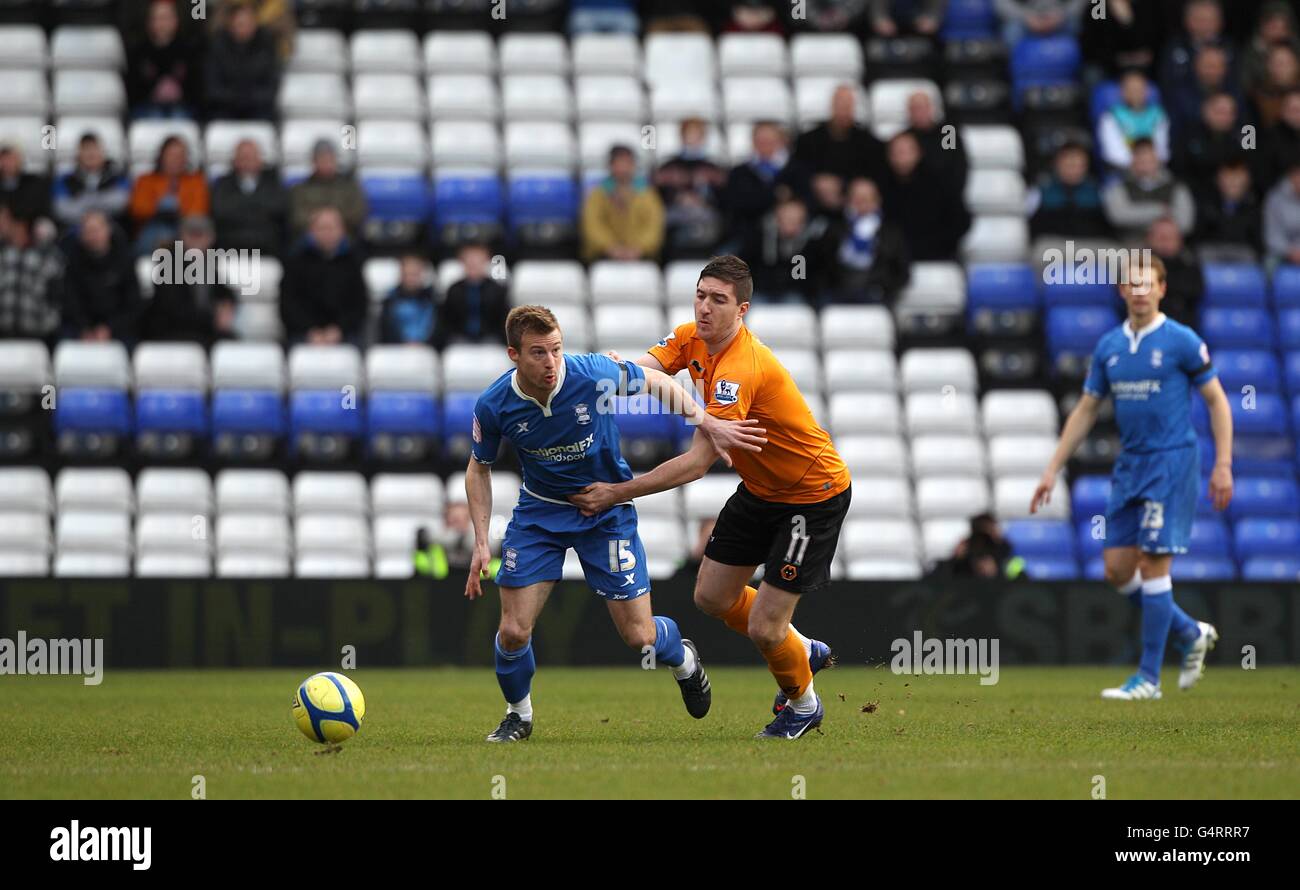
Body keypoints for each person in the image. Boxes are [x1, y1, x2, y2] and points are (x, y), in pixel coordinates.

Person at [570, 255, 852, 740]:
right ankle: (803, 649)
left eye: (718, 300)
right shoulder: (689, 336)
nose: (704, 307)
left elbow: (698, 464)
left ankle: (803, 705)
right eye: (700, 295)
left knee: (766, 626)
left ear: (741, 310)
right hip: (762, 490)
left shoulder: (740, 369)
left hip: (811, 496)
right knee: (711, 597)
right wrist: (594, 376)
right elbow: (641, 372)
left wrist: (618, 492)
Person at [464, 304, 766, 742]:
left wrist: (706, 422)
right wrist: (479, 542)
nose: (550, 363)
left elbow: (658, 381)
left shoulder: (590, 374)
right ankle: (518, 715)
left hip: (605, 511)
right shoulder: (495, 404)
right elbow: (479, 468)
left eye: (556, 350)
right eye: (537, 354)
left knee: (640, 638)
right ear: (513, 355)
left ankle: (682, 657)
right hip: (541, 512)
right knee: (512, 630)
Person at [1030, 255, 1230, 700]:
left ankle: (1148, 679)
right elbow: (1086, 409)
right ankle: (1190, 631)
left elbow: (1217, 401)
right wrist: (1052, 468)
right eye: (1132, 284)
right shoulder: (1109, 347)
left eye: (1148, 283)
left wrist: (1223, 464)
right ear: (1122, 291)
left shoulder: (1181, 341)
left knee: (1152, 564)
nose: (1140, 291)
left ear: (1161, 289)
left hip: (1171, 463)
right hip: (1131, 465)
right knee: (1118, 570)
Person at [140, 215, 236, 344]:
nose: (196, 241)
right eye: (191, 235)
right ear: (182, 237)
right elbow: (173, 310)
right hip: (171, 332)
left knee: (231, 342)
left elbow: (222, 291)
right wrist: (214, 317)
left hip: (201, 330)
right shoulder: (169, 265)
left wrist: (227, 304)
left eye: (200, 235)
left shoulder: (208, 263)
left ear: (210, 238)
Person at [279, 206, 367, 346]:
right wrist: (310, 331)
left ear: (342, 231)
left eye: (332, 228)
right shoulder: (295, 261)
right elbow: (288, 305)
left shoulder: (353, 262)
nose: (327, 233)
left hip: (344, 334)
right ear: (311, 231)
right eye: (322, 228)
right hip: (303, 334)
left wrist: (338, 330)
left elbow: (359, 306)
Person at [879, 131, 970, 260]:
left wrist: (940, 245)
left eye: (905, 152)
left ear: (918, 153)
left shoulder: (940, 184)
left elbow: (961, 221)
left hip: (936, 258)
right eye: (895, 152)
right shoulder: (880, 187)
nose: (900, 157)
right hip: (894, 262)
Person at [61, 210, 140, 343]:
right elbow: (70, 301)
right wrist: (85, 328)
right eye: (88, 231)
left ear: (108, 230)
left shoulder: (124, 260)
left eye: (96, 230)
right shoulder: (73, 262)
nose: (93, 236)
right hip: (81, 328)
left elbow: (132, 303)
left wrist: (109, 328)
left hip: (118, 329)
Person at [653, 118, 726, 257]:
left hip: (704, 213)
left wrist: (703, 200)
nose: (692, 139)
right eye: (689, 134)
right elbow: (659, 192)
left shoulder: (712, 167)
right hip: (676, 213)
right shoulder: (669, 165)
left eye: (697, 134)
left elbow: (721, 196)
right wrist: (678, 197)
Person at [579, 144, 665, 263]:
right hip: (604, 257)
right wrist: (611, 248)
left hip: (642, 257)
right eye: (619, 163)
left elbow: (654, 227)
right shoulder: (598, 194)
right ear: (610, 166)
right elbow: (592, 226)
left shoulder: (647, 194)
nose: (623, 169)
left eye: (627, 163)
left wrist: (639, 248)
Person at [831, 177, 909, 304]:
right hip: (839, 296)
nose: (861, 201)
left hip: (878, 296)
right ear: (847, 200)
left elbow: (902, 272)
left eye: (867, 197)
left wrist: (883, 287)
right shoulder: (834, 230)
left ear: (877, 200)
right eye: (856, 197)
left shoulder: (891, 233)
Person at [1101, 139, 1195, 242]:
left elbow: (1186, 223)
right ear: (1132, 161)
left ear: (1158, 160)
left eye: (1149, 160)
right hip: (1132, 244)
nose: (1145, 165)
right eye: (1140, 160)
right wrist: (1161, 211)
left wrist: (1159, 230)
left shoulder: (1176, 187)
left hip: (1169, 244)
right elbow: (1118, 216)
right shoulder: (1119, 187)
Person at [129, 136, 210, 256]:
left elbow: (199, 211)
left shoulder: (196, 181)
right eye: (171, 155)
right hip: (153, 227)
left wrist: (177, 209)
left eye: (180, 156)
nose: (175, 160)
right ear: (161, 157)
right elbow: (137, 208)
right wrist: (159, 208)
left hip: (185, 229)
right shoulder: (145, 180)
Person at [792, 83, 886, 186]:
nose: (843, 111)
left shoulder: (869, 144)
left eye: (847, 106)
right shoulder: (807, 141)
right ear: (832, 106)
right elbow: (798, 174)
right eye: (840, 105)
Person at [205, 0, 281, 121]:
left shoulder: (266, 44)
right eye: (240, 23)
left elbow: (271, 87)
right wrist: (236, 97)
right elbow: (213, 87)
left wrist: (248, 97)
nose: (244, 28)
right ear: (231, 24)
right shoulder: (218, 45)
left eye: (248, 23)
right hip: (226, 109)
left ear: (255, 23)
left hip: (258, 109)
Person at [127, 0, 202, 119]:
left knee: (180, 116)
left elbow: (197, 90)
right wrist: (153, 92)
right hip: (148, 108)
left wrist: (179, 92)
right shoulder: (138, 53)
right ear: (149, 22)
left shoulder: (188, 52)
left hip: (182, 108)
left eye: (166, 18)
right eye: (157, 18)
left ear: (175, 21)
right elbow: (132, 92)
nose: (162, 23)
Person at [211, 139, 286, 256]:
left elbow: (278, 209)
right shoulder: (222, 184)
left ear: (260, 159)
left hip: (268, 249)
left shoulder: (274, 183)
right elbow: (221, 211)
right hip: (230, 248)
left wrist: (241, 204)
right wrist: (256, 206)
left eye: (251, 157)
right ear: (234, 161)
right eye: (243, 157)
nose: (247, 162)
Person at [0, 208, 62, 341]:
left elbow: (58, 293)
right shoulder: (3, 253)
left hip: (38, 332)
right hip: (3, 331)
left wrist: (49, 322)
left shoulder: (47, 255)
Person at [1028, 141, 1111, 240]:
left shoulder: (1099, 191)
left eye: (1078, 165)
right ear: (1057, 164)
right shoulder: (1040, 191)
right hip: (1050, 245)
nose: (1074, 171)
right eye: (1069, 165)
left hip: (1089, 245)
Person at [438, 242, 509, 349]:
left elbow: (504, 322)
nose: (473, 264)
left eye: (478, 260)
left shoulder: (497, 290)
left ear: (486, 261)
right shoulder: (454, 290)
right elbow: (446, 322)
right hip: (459, 339)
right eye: (469, 260)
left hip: (491, 339)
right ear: (462, 262)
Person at [288, 140, 367, 238]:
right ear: (313, 162)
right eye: (321, 159)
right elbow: (296, 216)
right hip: (311, 238)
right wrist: (319, 221)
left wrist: (334, 221)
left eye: (329, 159)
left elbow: (358, 212)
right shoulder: (301, 189)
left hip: (345, 237)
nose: (326, 163)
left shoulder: (350, 186)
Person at [1097, 70, 1171, 170]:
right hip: (1123, 170)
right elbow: (1112, 153)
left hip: (1154, 168)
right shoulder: (1111, 116)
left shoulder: (1158, 115)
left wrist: (1149, 164)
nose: (1135, 93)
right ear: (1122, 92)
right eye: (1130, 89)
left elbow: (1162, 150)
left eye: (1139, 88)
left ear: (1148, 90)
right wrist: (1139, 165)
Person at [53, 133, 131, 228]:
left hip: (111, 229)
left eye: (95, 148)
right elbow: (63, 210)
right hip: (76, 229)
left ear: (103, 151)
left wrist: (83, 202)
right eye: (86, 149)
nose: (91, 153)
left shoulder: (118, 176)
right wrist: (93, 214)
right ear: (78, 153)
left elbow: (120, 203)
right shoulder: (65, 180)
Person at [1193, 159, 1262, 254]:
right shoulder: (1207, 205)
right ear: (1218, 179)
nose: (1233, 181)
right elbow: (1199, 239)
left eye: (1237, 176)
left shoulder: (1254, 207)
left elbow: (1258, 243)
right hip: (1213, 255)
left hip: (1244, 259)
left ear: (1248, 180)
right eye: (1228, 176)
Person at [1145, 217, 1203, 326]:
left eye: (1170, 238)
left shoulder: (1189, 265)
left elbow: (1195, 291)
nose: (1165, 243)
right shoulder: (1137, 265)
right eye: (1161, 238)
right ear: (1149, 239)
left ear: (1180, 241)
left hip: (1180, 325)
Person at [378, 252, 439, 346]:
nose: (411, 279)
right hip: (397, 349)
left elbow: (437, 330)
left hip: (427, 350)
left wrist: (424, 344)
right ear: (401, 274)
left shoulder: (433, 300)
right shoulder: (390, 301)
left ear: (422, 274)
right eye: (407, 274)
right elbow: (386, 330)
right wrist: (404, 343)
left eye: (415, 274)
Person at [1263, 160, 1300, 267]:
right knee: (1268, 263)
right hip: (1283, 253)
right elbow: (1272, 235)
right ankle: (1267, 284)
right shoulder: (1275, 199)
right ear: (1291, 176)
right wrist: (1290, 252)